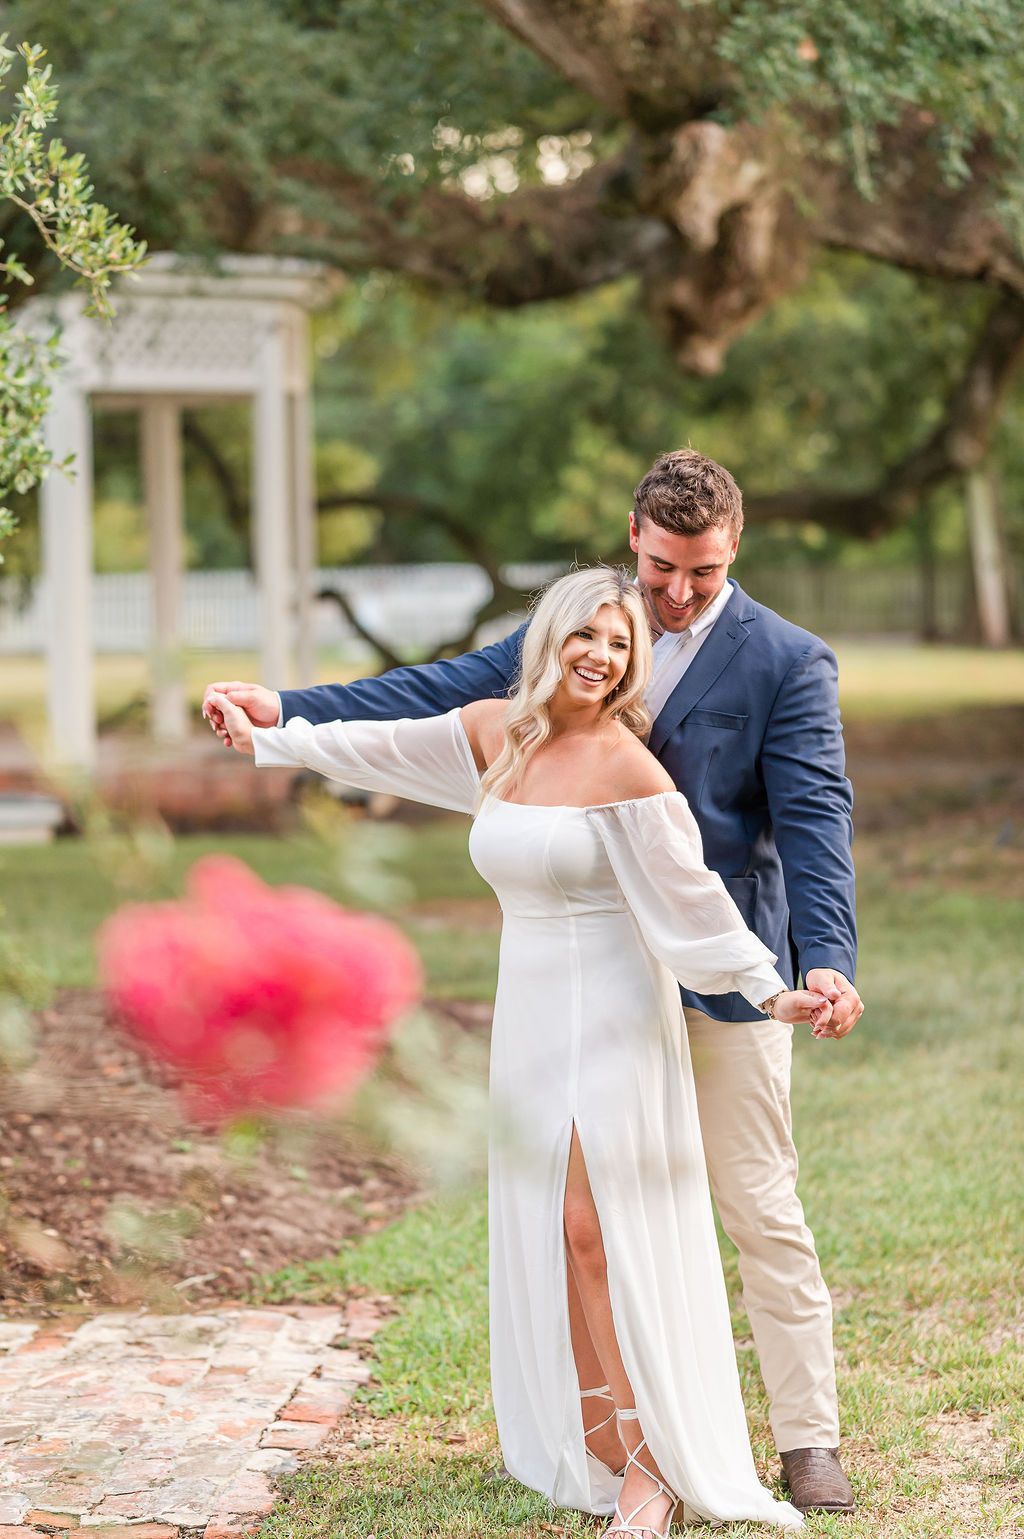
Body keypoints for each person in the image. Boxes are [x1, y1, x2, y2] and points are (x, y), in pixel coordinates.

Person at [204, 448, 863, 1516]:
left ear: (732, 546)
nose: (675, 594)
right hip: (583, 998)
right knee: (581, 1223)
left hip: (721, 977)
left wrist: (818, 960)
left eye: (697, 572)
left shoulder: (786, 661)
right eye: (657, 571)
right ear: (632, 541)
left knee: (755, 1208)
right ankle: (619, 1438)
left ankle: (805, 1439)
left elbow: (815, 823)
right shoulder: (584, 629)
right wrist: (283, 709)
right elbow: (423, 705)